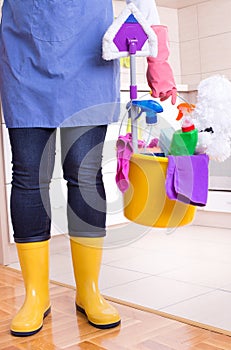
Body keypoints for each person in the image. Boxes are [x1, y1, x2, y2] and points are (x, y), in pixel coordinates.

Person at [0, 0, 176, 336]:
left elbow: (141, 3)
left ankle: (89, 290)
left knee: (84, 172)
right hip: (23, 56)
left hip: (89, 56)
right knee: (27, 175)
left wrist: (159, 62)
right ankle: (35, 296)